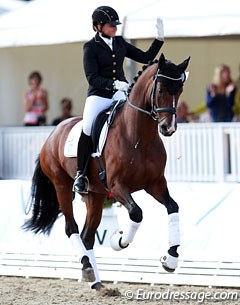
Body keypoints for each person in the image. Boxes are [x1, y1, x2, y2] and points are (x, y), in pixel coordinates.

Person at [73, 5, 164, 194]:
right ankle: (80, 174)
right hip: (99, 94)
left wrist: (159, 40)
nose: (115, 28)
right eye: (110, 25)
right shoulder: (90, 47)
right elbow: (92, 77)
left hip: (120, 93)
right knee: (88, 126)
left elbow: (146, 57)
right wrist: (113, 84)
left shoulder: (120, 42)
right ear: (98, 26)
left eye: (116, 25)